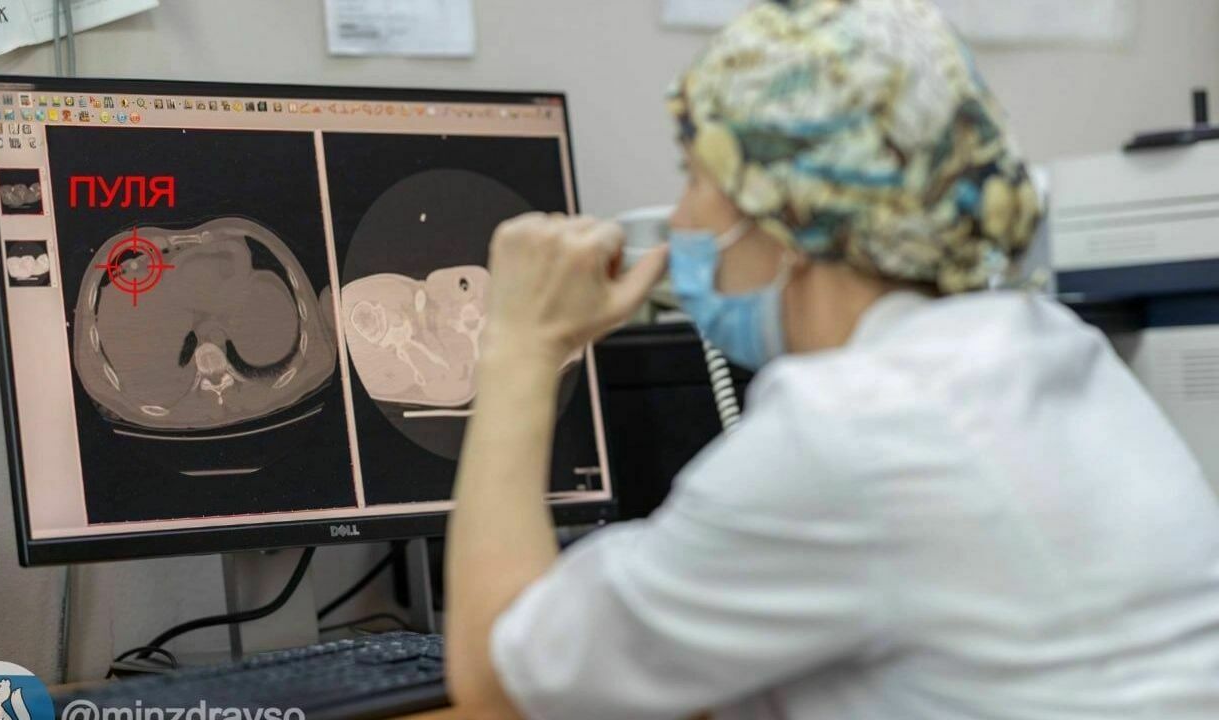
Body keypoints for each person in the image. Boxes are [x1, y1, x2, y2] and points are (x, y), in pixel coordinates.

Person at [444, 1, 1219, 718]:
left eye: (694, 178)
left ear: (788, 211)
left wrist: (522, 345)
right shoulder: (1052, 346)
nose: (678, 219)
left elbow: (498, 687)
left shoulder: (847, 430)